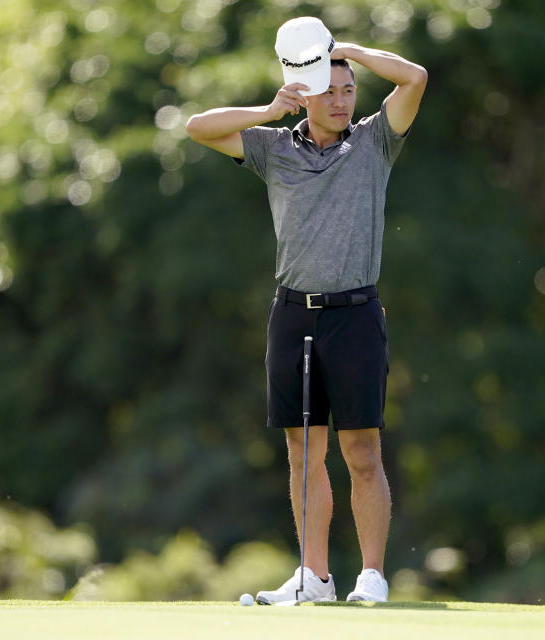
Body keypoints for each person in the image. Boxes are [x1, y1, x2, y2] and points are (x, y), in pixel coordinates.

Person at [185, 16, 426, 603]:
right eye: (329, 89)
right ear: (305, 93)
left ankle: (371, 575)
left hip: (355, 314)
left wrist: (348, 52)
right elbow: (197, 127)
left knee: (361, 450)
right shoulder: (273, 149)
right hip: (292, 316)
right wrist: (269, 109)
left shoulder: (374, 142)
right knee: (302, 450)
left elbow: (415, 78)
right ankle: (314, 577)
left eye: (348, 91)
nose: (342, 100)